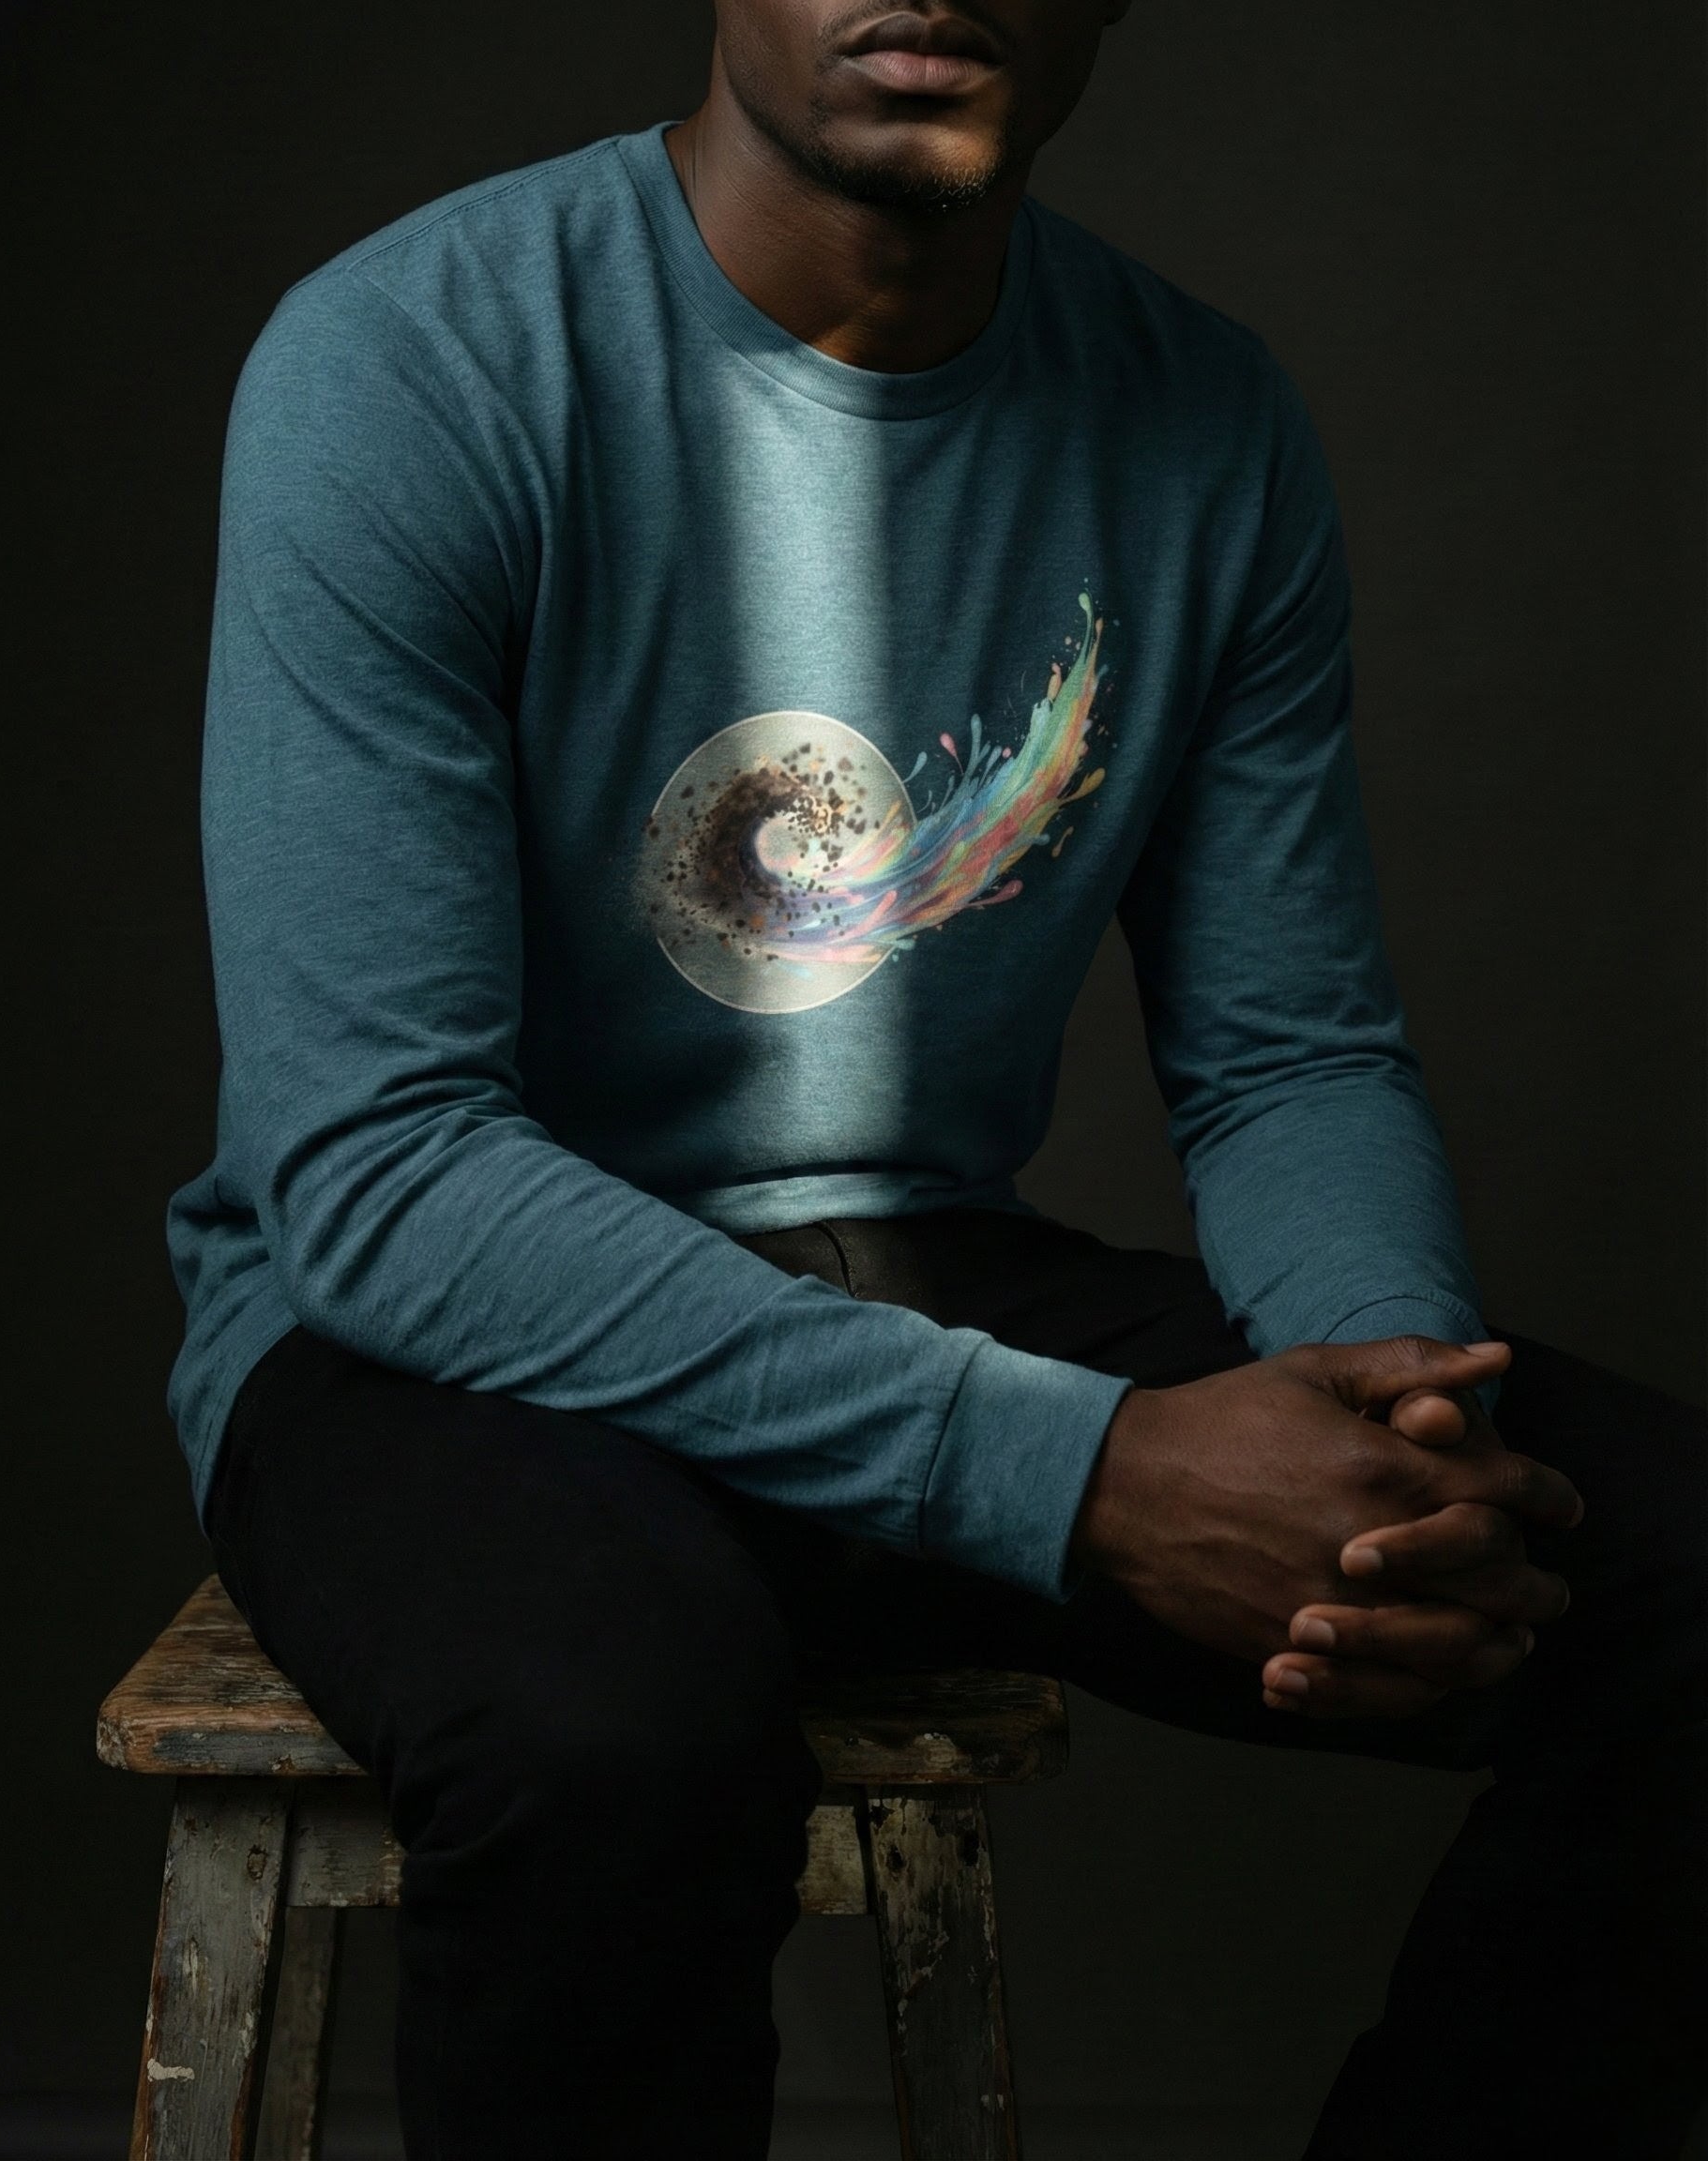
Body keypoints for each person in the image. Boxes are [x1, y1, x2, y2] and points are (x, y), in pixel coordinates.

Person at [167, 2, 1706, 2153]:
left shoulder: (1201, 416)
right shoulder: (417, 356)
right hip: (440, 1343)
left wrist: (1387, 1422)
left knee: (1657, 1575)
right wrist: (1081, 1472)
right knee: (614, 1740)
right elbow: (382, 1172)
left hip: (915, 1275)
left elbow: (1286, 1055)